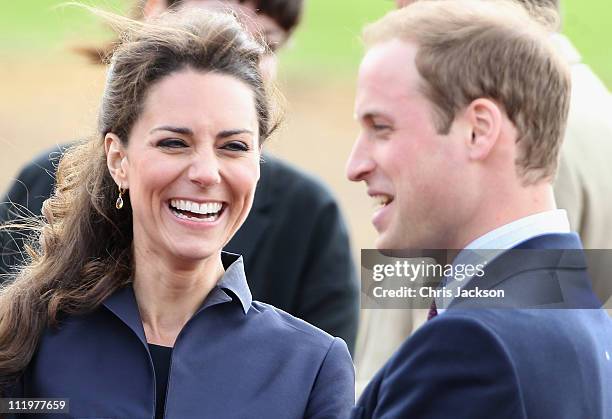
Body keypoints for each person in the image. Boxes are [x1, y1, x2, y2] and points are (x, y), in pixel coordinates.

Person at [0, 8, 355, 418]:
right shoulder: (25, 340)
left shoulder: (312, 365)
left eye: (234, 146)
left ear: (258, 163)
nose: (205, 173)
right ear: (118, 159)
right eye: (173, 143)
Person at [346, 1, 612, 417]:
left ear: (478, 129)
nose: (355, 166)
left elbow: (383, 357)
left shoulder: (469, 346)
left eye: (381, 127)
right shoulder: (589, 321)